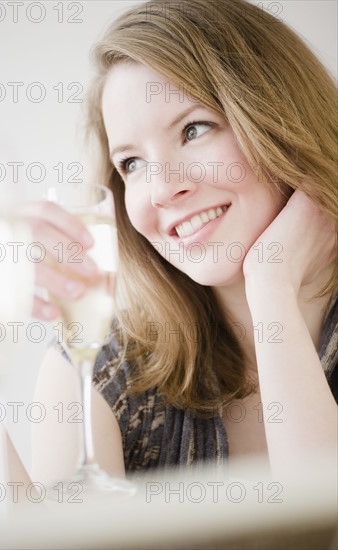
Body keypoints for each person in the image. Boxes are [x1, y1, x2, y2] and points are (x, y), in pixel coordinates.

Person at [26, 0, 337, 484]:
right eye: (132, 164)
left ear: (280, 119)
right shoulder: (104, 372)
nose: (162, 188)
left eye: (194, 129)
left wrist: (272, 289)